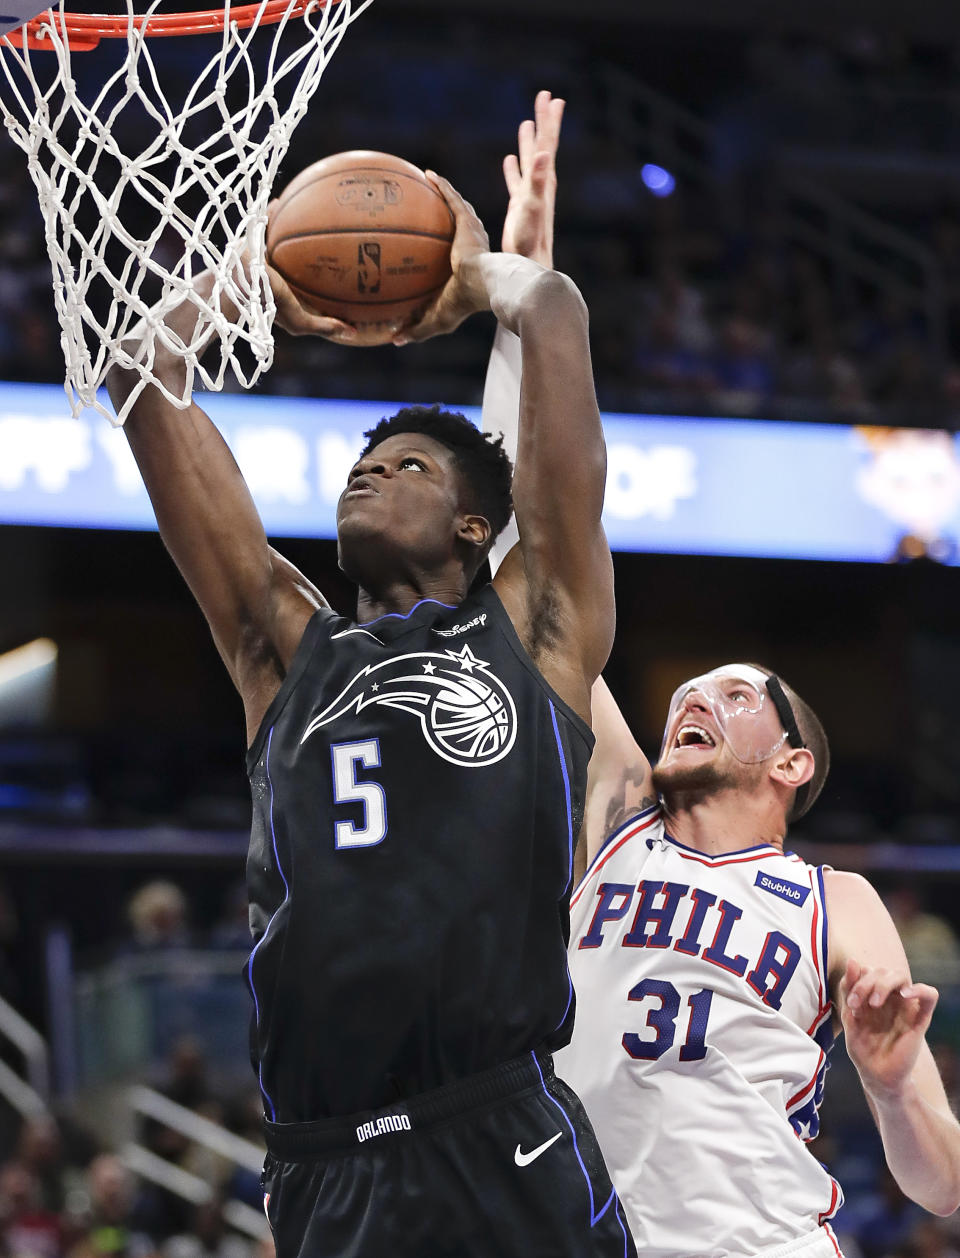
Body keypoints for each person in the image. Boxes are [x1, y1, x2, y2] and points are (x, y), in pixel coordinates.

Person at [106, 92, 633, 1258]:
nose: (367, 474)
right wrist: (254, 277)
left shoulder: (538, 630)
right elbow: (146, 369)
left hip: (500, 1132)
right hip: (322, 1159)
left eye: (402, 465)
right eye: (361, 460)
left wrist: (478, 273)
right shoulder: (285, 651)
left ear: (470, 528)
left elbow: (553, 311)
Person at [482, 125, 960, 1258]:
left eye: (739, 693)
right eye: (693, 686)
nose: (698, 690)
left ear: (791, 763)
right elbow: (528, 547)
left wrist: (892, 1086)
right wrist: (527, 314)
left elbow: (941, 1185)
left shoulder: (832, 901)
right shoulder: (616, 812)